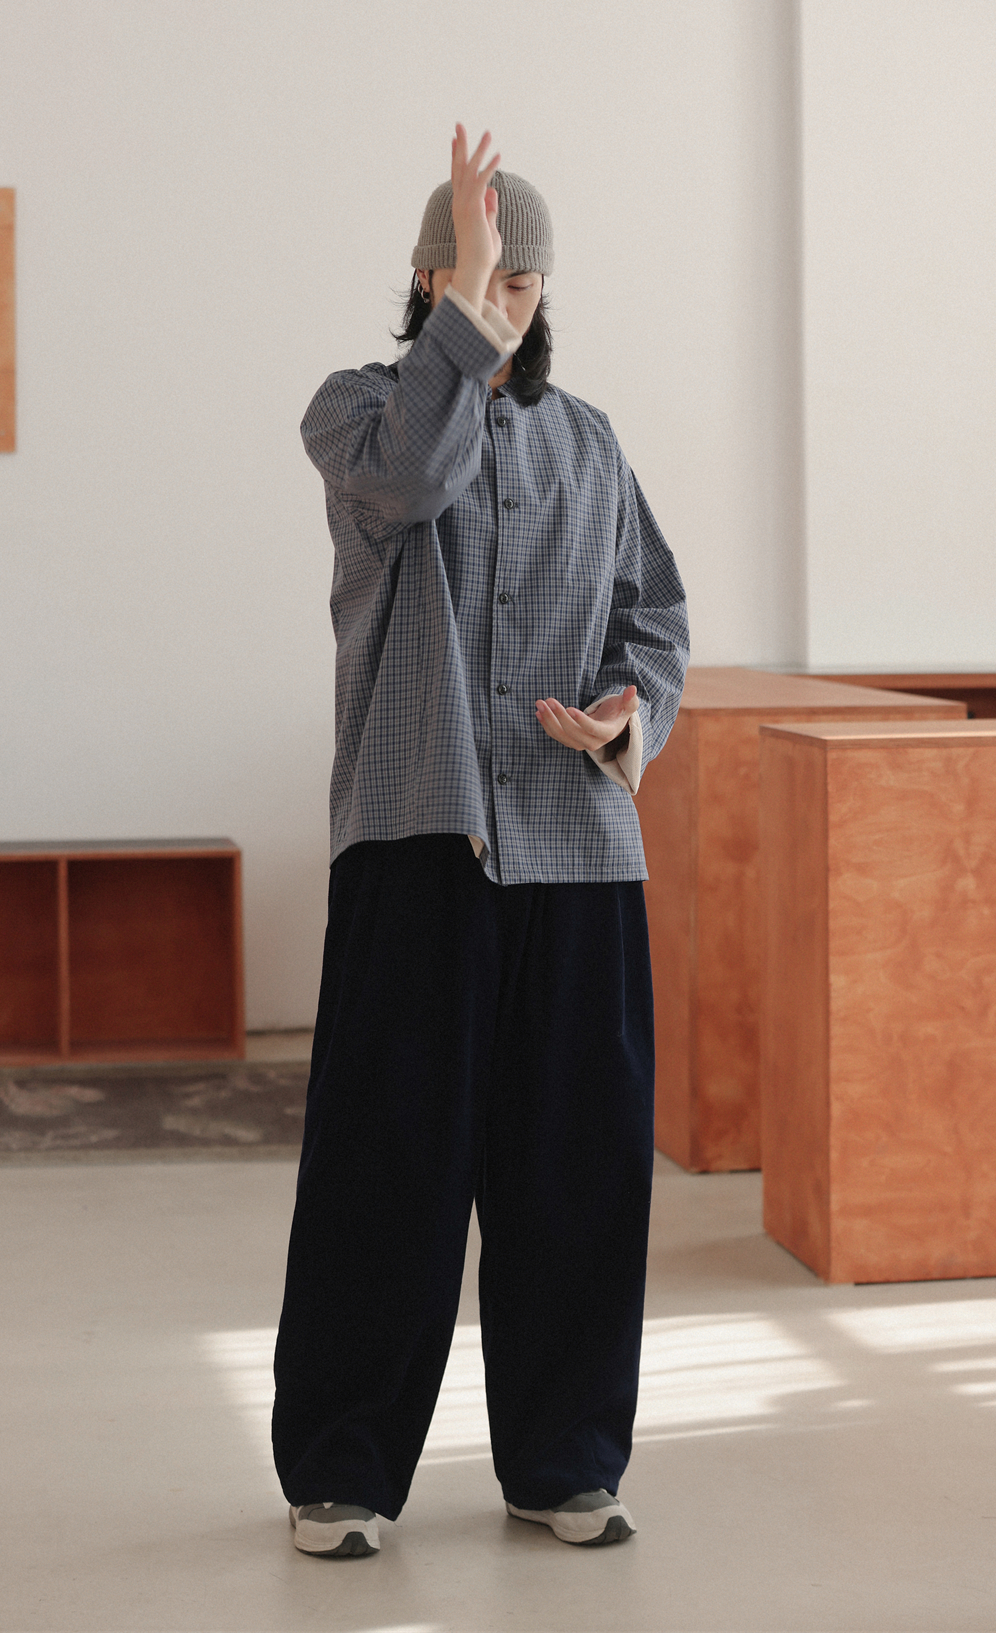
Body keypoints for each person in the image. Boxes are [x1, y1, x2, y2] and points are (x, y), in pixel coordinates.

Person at [272, 126, 689, 1559]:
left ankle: (565, 1462)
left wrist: (630, 717)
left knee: (578, 1167)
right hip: (417, 838)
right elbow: (415, 483)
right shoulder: (356, 414)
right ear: (427, 282)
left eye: (519, 279)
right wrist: (466, 313)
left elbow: (654, 616)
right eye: (471, 277)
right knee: (386, 1166)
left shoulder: (593, 444)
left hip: (581, 852)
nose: (503, 301)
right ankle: (342, 1469)